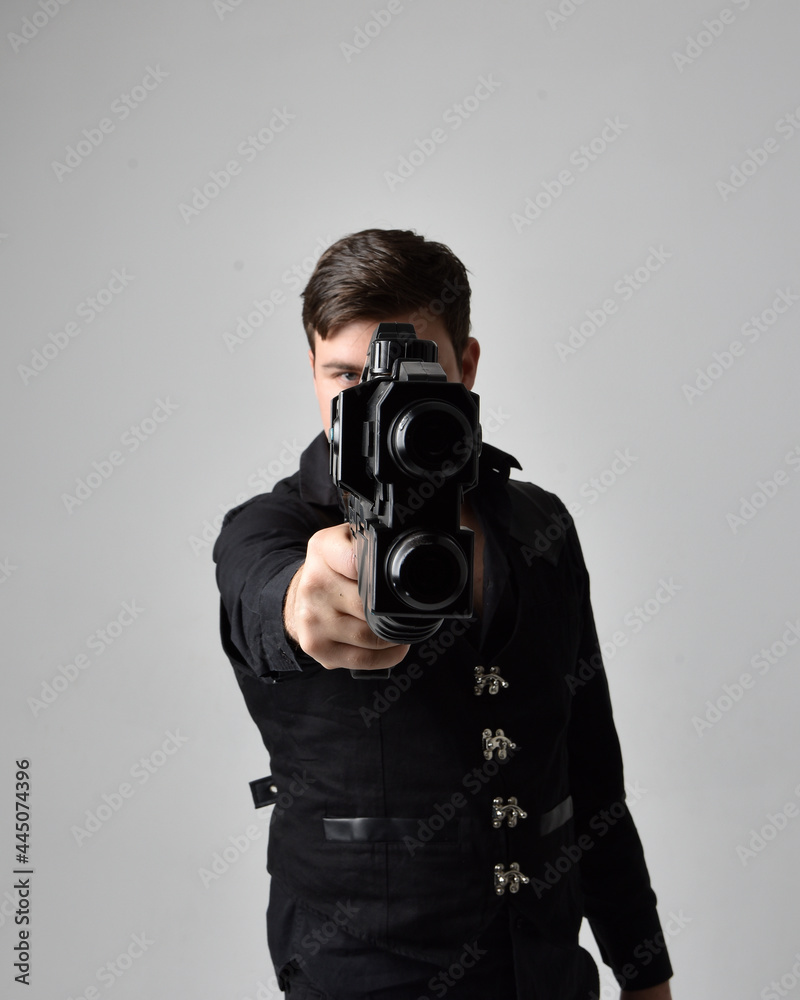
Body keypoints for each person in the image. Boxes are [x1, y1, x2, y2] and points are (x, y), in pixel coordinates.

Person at [213, 229, 674, 999]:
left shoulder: (541, 526)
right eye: (344, 375)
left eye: (409, 373)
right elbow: (269, 599)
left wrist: (644, 971)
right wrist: (305, 604)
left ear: (465, 366)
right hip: (363, 977)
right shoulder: (268, 531)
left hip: (547, 973)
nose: (373, 401)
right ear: (311, 372)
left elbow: (590, 773)